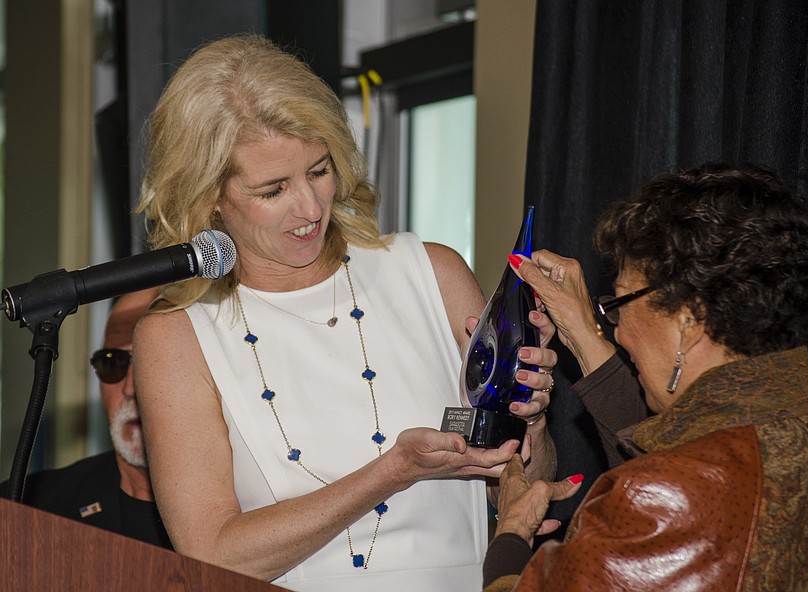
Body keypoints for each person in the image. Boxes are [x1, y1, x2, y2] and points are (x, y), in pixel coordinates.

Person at [132, 34, 557, 591]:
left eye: (319, 169)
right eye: (272, 189)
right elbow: (214, 553)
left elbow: (518, 483)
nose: (310, 207)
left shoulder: (431, 272)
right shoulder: (177, 336)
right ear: (209, 195)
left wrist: (531, 417)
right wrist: (392, 472)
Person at [483, 162, 808, 591]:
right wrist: (584, 332)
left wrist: (509, 535)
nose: (617, 330)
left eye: (621, 303)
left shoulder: (662, 501)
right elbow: (679, 447)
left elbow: (670, 480)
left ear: (690, 321)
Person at [0, 288, 171, 549]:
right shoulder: (32, 507)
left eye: (154, 363)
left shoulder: (241, 513)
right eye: (112, 363)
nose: (129, 388)